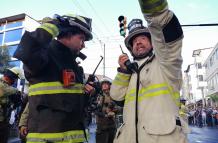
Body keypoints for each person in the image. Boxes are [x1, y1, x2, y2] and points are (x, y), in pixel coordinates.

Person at [110, 0, 189, 143]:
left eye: (142, 38)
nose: (138, 42)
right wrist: (123, 72)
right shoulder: (130, 71)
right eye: (134, 42)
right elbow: (117, 97)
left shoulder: (165, 63)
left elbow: (167, 39)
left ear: (153, 43)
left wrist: (157, 14)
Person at [14, 14, 95, 143]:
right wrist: (52, 26)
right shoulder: (45, 55)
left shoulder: (74, 65)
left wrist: (86, 94)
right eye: (81, 39)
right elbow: (27, 51)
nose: (83, 45)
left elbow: (68, 102)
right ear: (68, 33)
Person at [0, 67, 22, 143]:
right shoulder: (2, 85)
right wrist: (17, 91)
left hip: (4, 121)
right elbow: (3, 90)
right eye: (14, 79)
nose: (14, 81)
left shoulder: (8, 87)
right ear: (8, 77)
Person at [95, 78, 117, 143]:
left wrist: (113, 112)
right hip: (101, 127)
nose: (104, 85)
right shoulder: (99, 96)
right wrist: (105, 114)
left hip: (112, 126)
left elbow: (119, 108)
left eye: (106, 84)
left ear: (110, 86)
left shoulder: (114, 96)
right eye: (103, 84)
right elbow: (96, 110)